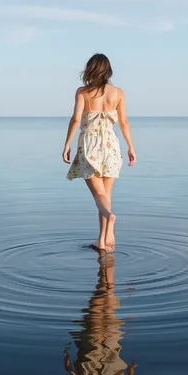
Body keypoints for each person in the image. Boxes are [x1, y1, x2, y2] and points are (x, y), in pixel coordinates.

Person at [63, 54, 136, 252]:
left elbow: (76, 120)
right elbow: (124, 122)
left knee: (98, 194)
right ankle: (103, 240)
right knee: (105, 194)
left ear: (90, 69)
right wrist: (130, 147)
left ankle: (110, 217)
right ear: (108, 70)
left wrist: (67, 144)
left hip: (90, 145)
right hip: (111, 144)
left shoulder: (83, 92)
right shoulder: (118, 93)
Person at [64, 253, 137, 375]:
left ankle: (104, 265)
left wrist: (130, 372)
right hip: (101, 360)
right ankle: (104, 265)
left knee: (103, 308)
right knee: (100, 309)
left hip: (102, 360)